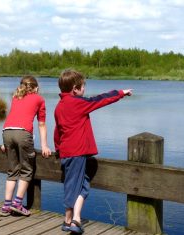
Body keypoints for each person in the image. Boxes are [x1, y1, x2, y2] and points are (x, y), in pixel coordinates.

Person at [54, 69, 132, 234]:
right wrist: (120, 93)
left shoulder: (59, 107)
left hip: (67, 152)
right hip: (77, 153)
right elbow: (100, 100)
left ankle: (73, 219)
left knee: (83, 185)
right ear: (75, 88)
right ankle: (70, 220)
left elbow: (57, 132)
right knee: (74, 187)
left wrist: (57, 149)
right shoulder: (78, 103)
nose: (84, 90)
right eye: (83, 87)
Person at [0, 75, 51, 217]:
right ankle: (17, 203)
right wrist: (45, 145)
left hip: (6, 132)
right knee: (27, 170)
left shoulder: (16, 97)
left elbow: (13, 118)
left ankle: (6, 205)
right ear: (36, 88)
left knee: (12, 170)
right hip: (23, 133)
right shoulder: (39, 99)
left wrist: (5, 144)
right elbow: (41, 124)